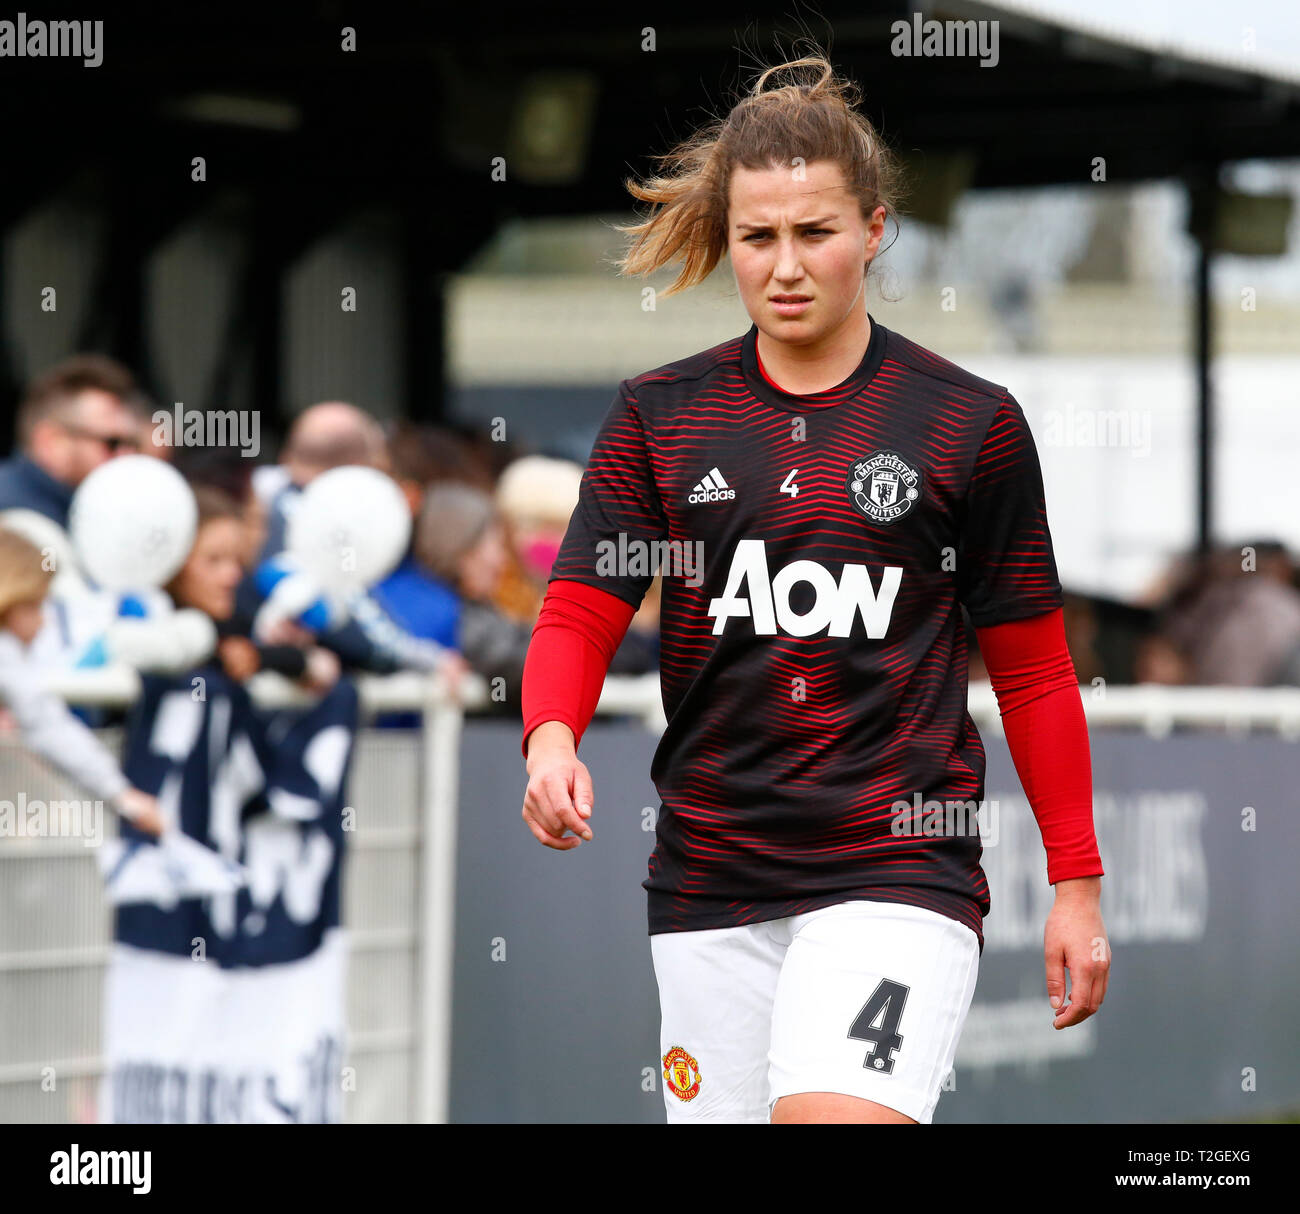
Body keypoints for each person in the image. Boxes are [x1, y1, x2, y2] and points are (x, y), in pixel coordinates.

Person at [519, 52, 1108, 1125]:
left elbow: (1031, 670)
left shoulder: (966, 421)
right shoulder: (660, 414)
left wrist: (1075, 880)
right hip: (707, 880)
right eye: (757, 238)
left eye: (814, 233)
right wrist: (550, 734)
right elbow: (576, 608)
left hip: (896, 866)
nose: (785, 266)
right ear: (727, 239)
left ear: (874, 230)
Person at [0, 528, 163, 836]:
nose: (43, 621)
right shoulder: (4, 653)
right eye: (33, 606)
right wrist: (121, 795)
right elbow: (47, 724)